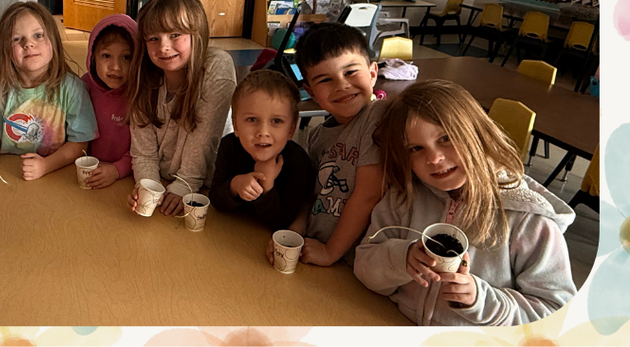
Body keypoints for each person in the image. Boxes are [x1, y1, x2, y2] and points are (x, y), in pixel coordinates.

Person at [354, 80, 577, 326]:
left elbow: (555, 313)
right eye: (416, 148)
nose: (435, 158)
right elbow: (364, 265)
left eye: (446, 138)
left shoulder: (529, 220)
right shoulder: (403, 198)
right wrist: (399, 259)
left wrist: (482, 301)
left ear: (477, 133)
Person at [127, 0, 236, 215]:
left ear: (197, 32)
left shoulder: (217, 66)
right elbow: (143, 151)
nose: (164, 47)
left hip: (207, 191)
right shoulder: (144, 76)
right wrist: (148, 187)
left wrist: (184, 185)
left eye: (175, 35)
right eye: (154, 38)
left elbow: (205, 139)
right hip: (167, 187)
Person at [0, 1, 97, 180]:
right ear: (5, 49)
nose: (28, 44)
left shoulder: (72, 89)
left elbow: (80, 144)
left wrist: (46, 166)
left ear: (53, 41)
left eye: (38, 35)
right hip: (9, 174)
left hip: (56, 174)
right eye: (17, 39)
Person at [294, 21, 385, 266]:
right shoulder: (317, 136)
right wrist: (294, 233)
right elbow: (312, 196)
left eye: (350, 72)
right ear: (311, 93)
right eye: (325, 80)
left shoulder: (377, 118)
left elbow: (368, 195)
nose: (341, 85)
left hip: (355, 260)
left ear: (373, 73)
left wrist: (330, 252)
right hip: (320, 252)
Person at [210, 69, 316, 237]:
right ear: (236, 125)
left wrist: (267, 189)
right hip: (227, 233)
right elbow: (216, 200)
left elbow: (283, 224)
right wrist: (234, 186)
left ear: (291, 129)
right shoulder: (229, 145)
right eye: (252, 120)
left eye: (276, 121)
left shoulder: (298, 162)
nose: (263, 132)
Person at [80, 13, 138, 189]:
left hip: (125, 176)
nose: (116, 67)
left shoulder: (139, 95)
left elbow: (144, 149)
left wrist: (117, 169)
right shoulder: (83, 86)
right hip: (84, 172)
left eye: (126, 57)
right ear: (92, 56)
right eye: (106, 56)